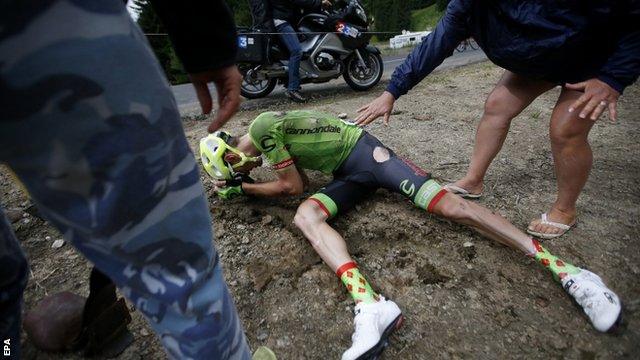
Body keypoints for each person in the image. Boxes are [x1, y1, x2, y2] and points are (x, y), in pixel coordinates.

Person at [202, 110, 622, 360]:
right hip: (349, 173)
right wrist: (251, 187)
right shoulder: (265, 137)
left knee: (453, 207)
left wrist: (245, 190)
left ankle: (570, 272)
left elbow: (292, 186)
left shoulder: (261, 130)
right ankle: (371, 305)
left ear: (231, 156)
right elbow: (304, 188)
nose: (242, 174)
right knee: (306, 218)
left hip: (369, 155)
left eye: (235, 171)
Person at [0, 1, 254, 359]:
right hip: (48, 28)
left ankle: (6, 347)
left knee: (4, 279)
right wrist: (206, 41)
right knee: (181, 279)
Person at [355, 0, 640, 239]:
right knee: (497, 105)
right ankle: (473, 180)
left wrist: (613, 79)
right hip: (538, 59)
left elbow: (632, 17)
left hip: (590, 62)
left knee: (565, 128)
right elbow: (434, 46)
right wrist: (392, 92)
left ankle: (565, 209)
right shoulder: (466, 6)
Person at [270, 0, 332, 102]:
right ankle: (292, 89)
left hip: (286, 20)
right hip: (281, 22)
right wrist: (319, 3)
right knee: (296, 51)